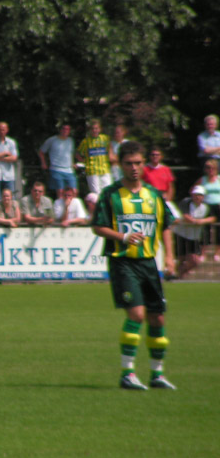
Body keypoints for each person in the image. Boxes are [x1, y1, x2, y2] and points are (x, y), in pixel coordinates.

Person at [92, 140, 176, 390]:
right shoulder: (110, 194)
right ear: (120, 164)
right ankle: (127, 373)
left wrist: (170, 257)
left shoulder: (153, 194)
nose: (135, 168)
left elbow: (166, 227)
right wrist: (123, 237)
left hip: (149, 264)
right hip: (123, 263)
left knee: (157, 319)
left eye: (138, 163)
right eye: (129, 163)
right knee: (137, 315)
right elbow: (97, 226)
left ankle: (157, 374)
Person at [173, 185, 216, 278]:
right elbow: (185, 216)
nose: (197, 197)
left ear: (203, 197)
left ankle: (179, 273)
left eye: (200, 195)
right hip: (182, 235)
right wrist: (195, 221)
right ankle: (177, 275)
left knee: (195, 261)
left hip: (194, 237)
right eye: (196, 195)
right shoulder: (186, 202)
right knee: (181, 258)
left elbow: (213, 218)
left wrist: (201, 221)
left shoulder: (206, 207)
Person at [38, 124, 77, 198]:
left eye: (67, 129)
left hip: (69, 170)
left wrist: (73, 163)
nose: (65, 131)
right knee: (60, 192)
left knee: (74, 191)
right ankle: (60, 209)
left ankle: (71, 208)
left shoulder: (71, 141)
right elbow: (41, 152)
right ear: (60, 129)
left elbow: (71, 153)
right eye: (64, 128)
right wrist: (43, 163)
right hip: (56, 169)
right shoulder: (52, 140)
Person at [193, 158, 220, 262]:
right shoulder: (202, 180)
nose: (210, 170)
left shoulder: (219, 179)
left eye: (212, 167)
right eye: (208, 167)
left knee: (219, 230)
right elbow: (193, 190)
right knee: (205, 229)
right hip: (206, 206)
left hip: (218, 206)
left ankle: (218, 253)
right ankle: (203, 252)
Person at [77, 119, 113, 194]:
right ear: (90, 130)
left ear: (99, 129)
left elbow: (110, 151)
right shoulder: (86, 141)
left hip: (105, 169)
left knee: (108, 191)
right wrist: (84, 162)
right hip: (92, 170)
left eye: (96, 128)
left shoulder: (105, 139)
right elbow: (77, 153)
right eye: (92, 129)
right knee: (96, 192)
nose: (94, 130)